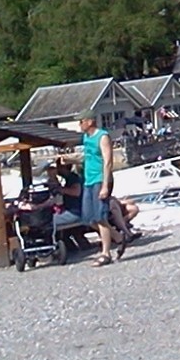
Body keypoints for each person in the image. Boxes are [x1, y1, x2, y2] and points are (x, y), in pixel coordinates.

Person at [79, 114, 121, 265]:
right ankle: (119, 237)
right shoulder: (86, 138)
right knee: (88, 218)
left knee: (100, 217)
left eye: (81, 121)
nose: (80, 125)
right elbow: (87, 157)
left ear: (90, 121)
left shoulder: (102, 137)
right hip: (88, 181)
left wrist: (105, 185)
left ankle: (106, 253)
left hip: (100, 179)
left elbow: (108, 161)